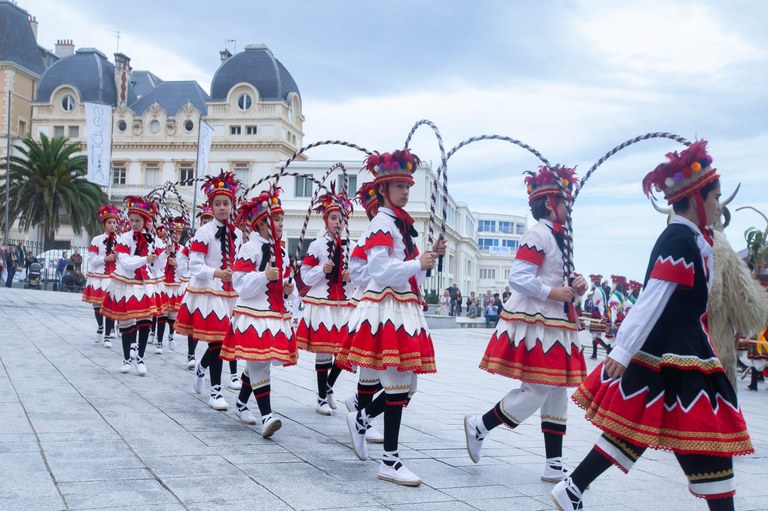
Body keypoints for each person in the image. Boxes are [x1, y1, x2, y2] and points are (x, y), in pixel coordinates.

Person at [552, 141, 752, 511]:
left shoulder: (691, 238)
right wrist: (622, 350)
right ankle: (573, 487)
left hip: (679, 350)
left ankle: (573, 487)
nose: (718, 206)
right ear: (695, 198)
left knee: (637, 425)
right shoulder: (679, 238)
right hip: (676, 352)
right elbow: (653, 297)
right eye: (715, 197)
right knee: (703, 433)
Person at [464, 165, 588, 486]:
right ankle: (480, 425)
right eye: (566, 201)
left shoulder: (562, 236)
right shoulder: (538, 234)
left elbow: (558, 277)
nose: (569, 207)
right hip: (539, 322)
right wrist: (552, 292)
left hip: (556, 322)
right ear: (549, 203)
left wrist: (577, 284)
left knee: (557, 392)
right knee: (537, 389)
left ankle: (554, 464)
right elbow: (518, 277)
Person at [337, 148, 446, 486]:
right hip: (386, 308)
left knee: (405, 384)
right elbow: (380, 271)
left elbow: (414, 277)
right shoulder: (382, 223)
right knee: (399, 382)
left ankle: (361, 419)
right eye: (399, 186)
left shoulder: (400, 224)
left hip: (401, 307)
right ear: (383, 189)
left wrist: (429, 259)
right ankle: (390, 460)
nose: (406, 191)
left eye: (408, 186)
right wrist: (417, 263)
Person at [220, 188, 296, 437]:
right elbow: (240, 284)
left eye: (282, 220)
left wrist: (287, 289)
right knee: (260, 363)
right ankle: (267, 416)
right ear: (261, 223)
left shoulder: (281, 252)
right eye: (276, 220)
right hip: (252, 314)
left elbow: (283, 286)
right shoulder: (249, 249)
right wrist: (264, 276)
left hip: (272, 315)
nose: (281, 224)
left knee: (258, 361)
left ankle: (242, 403)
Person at [175, 171, 242, 411]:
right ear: (211, 206)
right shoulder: (203, 233)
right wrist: (216, 273)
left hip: (230, 294)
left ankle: (202, 367)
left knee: (224, 341)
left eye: (226, 203)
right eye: (217, 204)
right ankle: (216, 392)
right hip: (208, 291)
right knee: (217, 341)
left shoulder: (238, 234)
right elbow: (194, 266)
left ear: (232, 205)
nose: (222, 208)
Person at [296, 182, 354, 415]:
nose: (337, 222)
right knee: (324, 350)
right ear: (326, 220)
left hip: (345, 305)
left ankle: (329, 385)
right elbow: (305, 275)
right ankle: (321, 396)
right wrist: (322, 270)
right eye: (333, 218)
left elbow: (363, 276)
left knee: (345, 350)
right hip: (322, 304)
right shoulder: (317, 246)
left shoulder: (353, 246)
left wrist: (352, 276)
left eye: (341, 218)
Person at [100, 196, 162, 376]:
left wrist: (164, 254)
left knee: (146, 320)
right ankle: (127, 358)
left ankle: (140, 358)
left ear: (145, 221)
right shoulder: (125, 238)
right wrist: (144, 259)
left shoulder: (153, 240)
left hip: (145, 281)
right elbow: (126, 262)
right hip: (126, 281)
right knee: (126, 320)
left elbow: (158, 266)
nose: (134, 224)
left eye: (137, 221)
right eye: (132, 220)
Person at [82, 205, 121, 348]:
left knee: (110, 305)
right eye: (109, 222)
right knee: (97, 305)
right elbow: (92, 259)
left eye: (114, 223)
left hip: (113, 277)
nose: (112, 225)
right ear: (104, 224)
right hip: (98, 275)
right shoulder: (96, 240)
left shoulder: (121, 240)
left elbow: (124, 259)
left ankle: (107, 336)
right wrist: (105, 258)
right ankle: (100, 326)